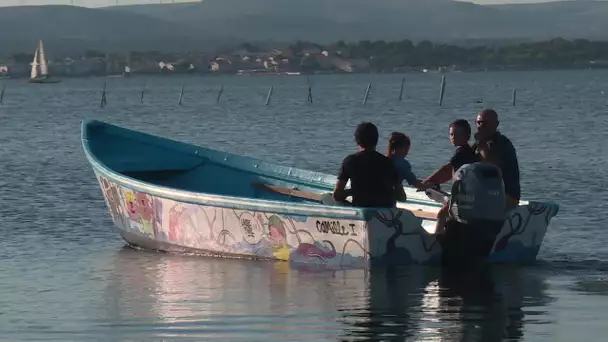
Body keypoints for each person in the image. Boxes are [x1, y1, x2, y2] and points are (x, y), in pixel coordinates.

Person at [421, 119, 478, 234]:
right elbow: (449, 171)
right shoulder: (467, 151)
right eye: (451, 134)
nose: (453, 137)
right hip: (466, 194)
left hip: (463, 196)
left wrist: (428, 181)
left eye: (457, 134)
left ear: (467, 136)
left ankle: (437, 241)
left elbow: (446, 169)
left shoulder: (461, 153)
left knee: (442, 214)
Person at [332, 122, 401, 208]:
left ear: (357, 140)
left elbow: (337, 195)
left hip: (362, 211)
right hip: (385, 212)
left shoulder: (350, 161)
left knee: (327, 198)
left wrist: (350, 192)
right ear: (376, 140)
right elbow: (400, 196)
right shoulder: (388, 163)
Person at [472, 109, 520, 210]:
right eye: (478, 123)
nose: (481, 126)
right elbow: (461, 161)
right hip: (488, 193)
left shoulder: (503, 144)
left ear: (496, 124)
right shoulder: (477, 145)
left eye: (485, 123)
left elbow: (492, 166)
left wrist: (482, 145)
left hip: (506, 196)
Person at [386, 132, 430, 201]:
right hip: (393, 192)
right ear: (403, 148)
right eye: (407, 149)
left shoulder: (383, 159)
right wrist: (429, 186)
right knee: (402, 196)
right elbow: (414, 182)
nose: (407, 152)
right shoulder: (403, 164)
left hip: (381, 190)